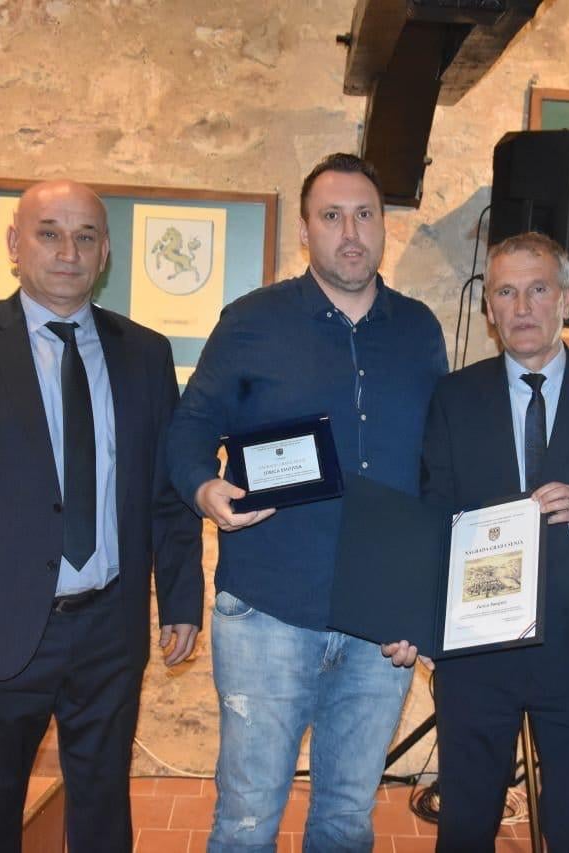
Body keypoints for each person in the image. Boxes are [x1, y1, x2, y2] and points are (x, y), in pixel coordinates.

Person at [0, 179, 202, 853]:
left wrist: (180, 597)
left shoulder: (144, 353)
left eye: (85, 237)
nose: (67, 252)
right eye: (49, 233)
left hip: (110, 633)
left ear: (105, 252)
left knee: (103, 819)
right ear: (14, 244)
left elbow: (166, 493)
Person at [166, 152, 447, 852]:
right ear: (304, 231)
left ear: (383, 226)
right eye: (332, 216)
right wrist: (204, 486)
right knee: (247, 820)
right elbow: (190, 426)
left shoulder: (419, 329)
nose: (350, 232)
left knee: (347, 821)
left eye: (364, 215)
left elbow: (436, 471)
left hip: (379, 624)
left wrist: (420, 603)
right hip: (269, 609)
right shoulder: (250, 321)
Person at [384, 231, 569, 851]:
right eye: (505, 293)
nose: (522, 308)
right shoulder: (453, 398)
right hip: (476, 658)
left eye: (538, 290)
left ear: (565, 299)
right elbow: (431, 519)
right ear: (488, 309)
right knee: (464, 828)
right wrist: (413, 616)